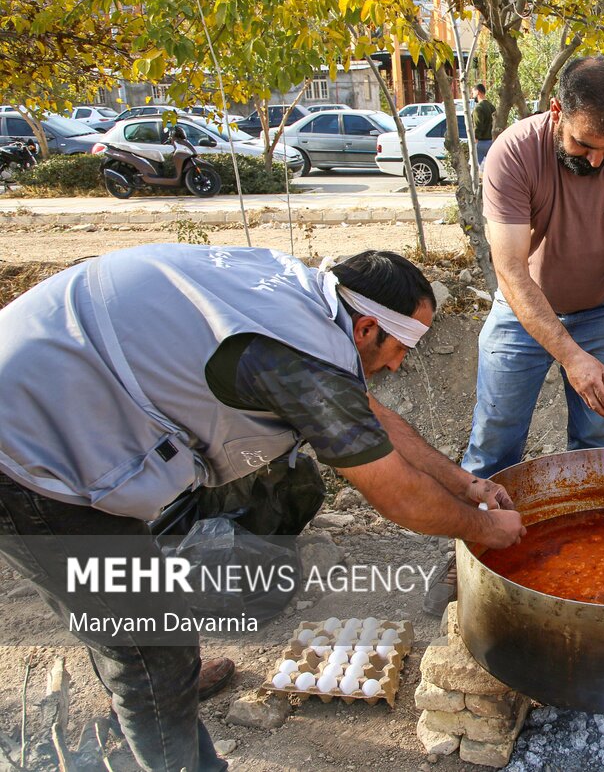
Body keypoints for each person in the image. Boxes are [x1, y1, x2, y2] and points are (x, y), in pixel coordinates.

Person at [0, 245, 523, 772]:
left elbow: (371, 417)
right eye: (401, 346)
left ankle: (151, 691)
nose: (397, 363)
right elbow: (397, 495)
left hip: (71, 387)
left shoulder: (305, 301)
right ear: (365, 329)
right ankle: (164, 716)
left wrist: (467, 484)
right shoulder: (300, 361)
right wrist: (486, 530)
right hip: (27, 450)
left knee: (134, 615)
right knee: (147, 640)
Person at [462, 56, 604, 479]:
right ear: (557, 111)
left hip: (603, 306)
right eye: (584, 146)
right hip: (520, 308)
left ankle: (593, 539)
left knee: (602, 439)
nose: (596, 162)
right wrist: (571, 357)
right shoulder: (514, 152)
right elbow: (510, 268)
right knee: (496, 435)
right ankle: (478, 537)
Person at [472, 83, 496, 163]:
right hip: (491, 141)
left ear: (478, 92)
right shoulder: (491, 106)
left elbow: (478, 125)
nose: (472, 95)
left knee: (476, 168)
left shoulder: (478, 108)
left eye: (473, 93)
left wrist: (475, 138)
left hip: (481, 142)